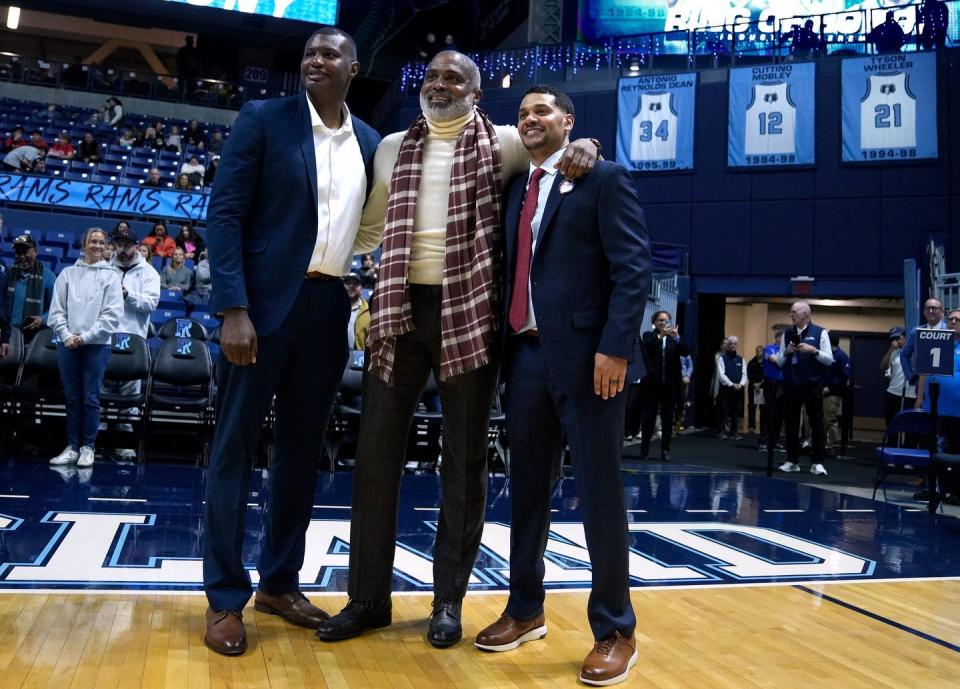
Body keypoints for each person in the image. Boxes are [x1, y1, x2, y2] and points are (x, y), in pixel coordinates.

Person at [314, 52, 598, 648]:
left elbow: (557, 152)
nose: (438, 85)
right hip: (398, 312)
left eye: (453, 78)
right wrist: (316, 260)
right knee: (374, 458)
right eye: (432, 76)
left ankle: (448, 602)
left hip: (469, 314)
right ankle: (366, 600)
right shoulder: (392, 145)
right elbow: (367, 227)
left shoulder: (504, 143)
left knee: (463, 463)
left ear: (475, 92)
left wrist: (588, 148)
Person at [202, 26, 382, 657]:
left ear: (353, 69)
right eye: (309, 53)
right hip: (258, 308)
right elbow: (224, 213)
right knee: (233, 450)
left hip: (328, 305)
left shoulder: (369, 141)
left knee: (302, 456)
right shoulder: (264, 119)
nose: (315, 59)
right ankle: (225, 598)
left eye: (330, 53)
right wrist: (233, 307)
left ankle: (279, 582)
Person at [470, 84, 649, 687]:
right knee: (525, 492)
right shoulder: (518, 185)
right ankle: (525, 609)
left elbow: (634, 271)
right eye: (522, 114)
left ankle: (615, 630)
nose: (530, 120)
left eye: (541, 111)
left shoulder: (603, 178)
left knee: (600, 495)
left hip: (591, 361)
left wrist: (615, 348)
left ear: (569, 122)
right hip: (525, 356)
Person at [46, 228, 124, 468]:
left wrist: (86, 337)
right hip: (67, 343)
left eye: (101, 242)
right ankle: (71, 447)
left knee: (91, 397)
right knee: (72, 398)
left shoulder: (112, 277)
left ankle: (88, 447)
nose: (97, 246)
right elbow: (56, 311)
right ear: (85, 244)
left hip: (96, 345)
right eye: (93, 241)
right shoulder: (68, 274)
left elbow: (112, 316)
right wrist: (67, 335)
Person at [106, 225, 160, 460]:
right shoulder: (107, 269)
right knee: (100, 395)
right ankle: (97, 442)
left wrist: (128, 295)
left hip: (133, 342)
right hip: (106, 337)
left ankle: (123, 445)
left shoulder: (149, 273)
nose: (123, 249)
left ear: (136, 246)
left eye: (127, 245)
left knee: (129, 401)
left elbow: (151, 304)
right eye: (119, 244)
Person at [775, 302, 834, 475]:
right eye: (791, 312)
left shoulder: (820, 332)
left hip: (813, 386)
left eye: (794, 312)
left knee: (816, 423)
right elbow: (779, 362)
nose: (791, 315)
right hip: (791, 385)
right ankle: (792, 460)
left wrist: (813, 350)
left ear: (805, 314)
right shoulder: (787, 333)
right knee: (792, 424)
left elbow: (829, 359)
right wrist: (786, 352)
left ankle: (818, 462)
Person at [638, 310, 688, 461]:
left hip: (669, 386)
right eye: (660, 320)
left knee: (667, 420)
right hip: (652, 386)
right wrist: (661, 336)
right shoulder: (649, 335)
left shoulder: (674, 339)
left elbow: (686, 351)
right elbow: (646, 348)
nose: (663, 323)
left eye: (666, 320)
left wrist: (678, 338)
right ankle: (644, 450)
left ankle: (665, 449)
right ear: (655, 322)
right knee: (648, 419)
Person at [3, 235, 56, 344]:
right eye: (18, 252)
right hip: (7, 336)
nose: (21, 256)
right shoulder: (6, 274)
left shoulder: (49, 277)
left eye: (25, 251)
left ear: (36, 251)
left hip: (34, 339)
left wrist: (42, 319)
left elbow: (55, 309)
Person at [901, 298, 946, 387]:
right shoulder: (916, 332)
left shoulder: (950, 331)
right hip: (922, 384)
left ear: (941, 311)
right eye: (927, 308)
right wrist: (911, 376)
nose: (930, 311)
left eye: (934, 308)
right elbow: (904, 355)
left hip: (946, 383)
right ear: (924, 311)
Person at [823, 333, 852, 454]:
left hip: (833, 393)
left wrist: (831, 387)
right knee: (824, 420)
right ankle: (823, 445)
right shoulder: (827, 355)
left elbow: (845, 376)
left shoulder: (841, 356)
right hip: (824, 392)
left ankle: (831, 446)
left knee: (830, 419)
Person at [759, 326, 786, 453]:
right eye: (783, 337)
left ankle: (774, 441)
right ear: (777, 338)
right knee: (768, 413)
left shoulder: (785, 350)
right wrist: (786, 356)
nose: (785, 340)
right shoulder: (769, 348)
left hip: (783, 385)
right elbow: (775, 361)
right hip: (771, 384)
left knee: (780, 415)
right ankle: (763, 442)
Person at [882, 326, 916, 426]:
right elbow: (883, 366)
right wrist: (890, 350)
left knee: (910, 427)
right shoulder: (894, 353)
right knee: (891, 424)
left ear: (905, 338)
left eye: (898, 338)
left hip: (910, 395)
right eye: (893, 339)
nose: (896, 341)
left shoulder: (914, 353)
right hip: (893, 393)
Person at [717, 335, 747, 439]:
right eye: (730, 344)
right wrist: (731, 384)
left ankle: (734, 432)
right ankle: (721, 431)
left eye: (735, 344)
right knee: (723, 410)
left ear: (737, 345)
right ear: (727, 345)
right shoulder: (722, 359)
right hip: (726, 389)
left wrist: (741, 384)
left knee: (736, 411)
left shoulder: (741, 360)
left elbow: (744, 374)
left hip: (738, 389)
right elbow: (721, 375)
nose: (733, 346)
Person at [344, 272, 369, 351]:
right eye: (348, 283)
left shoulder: (369, 312)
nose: (352, 286)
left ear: (362, 288)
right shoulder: (333, 307)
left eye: (356, 283)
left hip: (359, 359)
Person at [747, 345, 764, 433]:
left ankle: (763, 427)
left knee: (762, 408)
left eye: (760, 350)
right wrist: (754, 384)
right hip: (752, 387)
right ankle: (751, 426)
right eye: (757, 350)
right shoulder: (751, 362)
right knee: (752, 407)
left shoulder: (766, 363)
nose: (758, 352)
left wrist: (760, 384)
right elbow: (749, 375)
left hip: (762, 387)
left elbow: (766, 374)